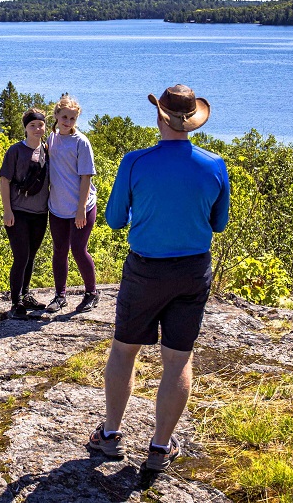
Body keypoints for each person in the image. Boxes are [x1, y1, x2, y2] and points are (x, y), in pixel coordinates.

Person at [88, 84, 230, 472]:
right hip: (192, 271)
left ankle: (112, 436)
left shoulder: (134, 162)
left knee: (123, 350)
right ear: (193, 123)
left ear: (159, 116)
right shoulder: (215, 165)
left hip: (146, 270)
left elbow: (115, 220)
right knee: (178, 359)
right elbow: (218, 224)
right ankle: (160, 447)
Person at [45, 94, 100, 314]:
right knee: (59, 250)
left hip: (81, 207)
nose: (68, 121)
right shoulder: (51, 138)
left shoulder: (81, 142)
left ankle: (91, 293)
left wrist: (80, 210)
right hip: (57, 207)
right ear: (56, 116)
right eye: (64, 117)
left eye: (72, 118)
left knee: (78, 249)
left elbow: (86, 177)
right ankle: (60, 296)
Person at [0, 108, 51, 318]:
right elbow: (4, 181)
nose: (37, 129)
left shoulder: (48, 149)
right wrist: (7, 211)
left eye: (40, 125)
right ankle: (16, 302)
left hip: (40, 212)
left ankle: (26, 294)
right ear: (26, 128)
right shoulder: (15, 151)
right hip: (18, 212)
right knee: (21, 256)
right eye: (33, 125)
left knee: (31, 256)